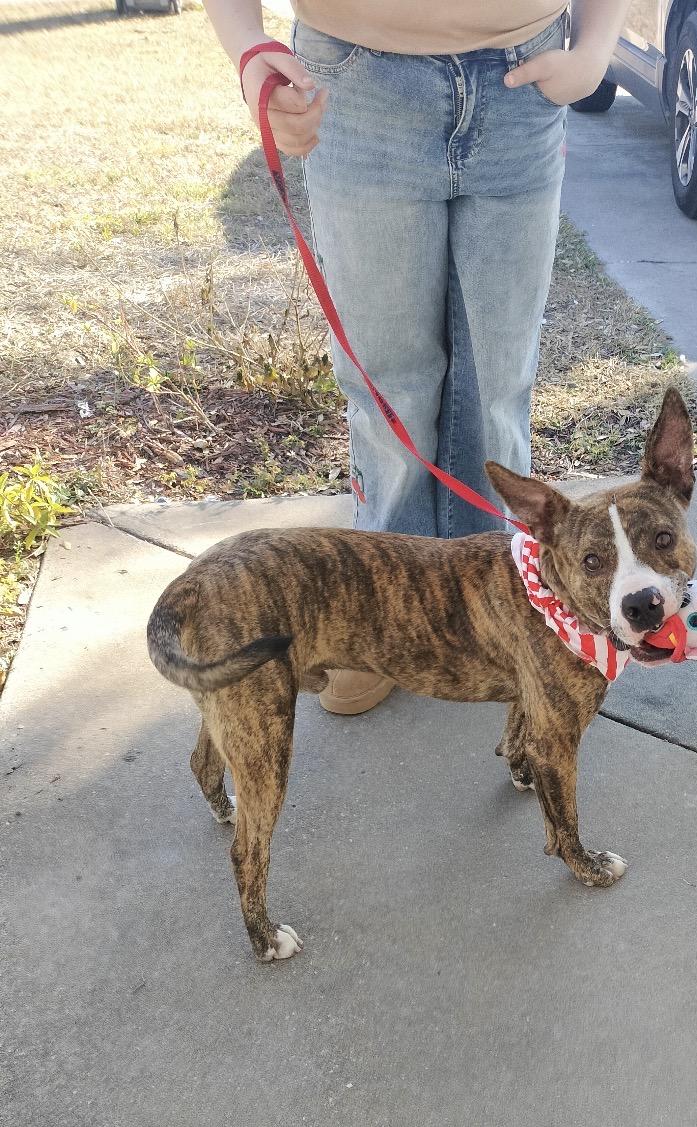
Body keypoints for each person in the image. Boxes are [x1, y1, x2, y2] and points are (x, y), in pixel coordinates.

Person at [204, 0, 629, 713]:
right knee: (389, 390)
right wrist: (249, 53)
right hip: (354, 88)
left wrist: (594, 50)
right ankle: (380, 622)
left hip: (521, 87)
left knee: (496, 389)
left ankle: (497, 611)